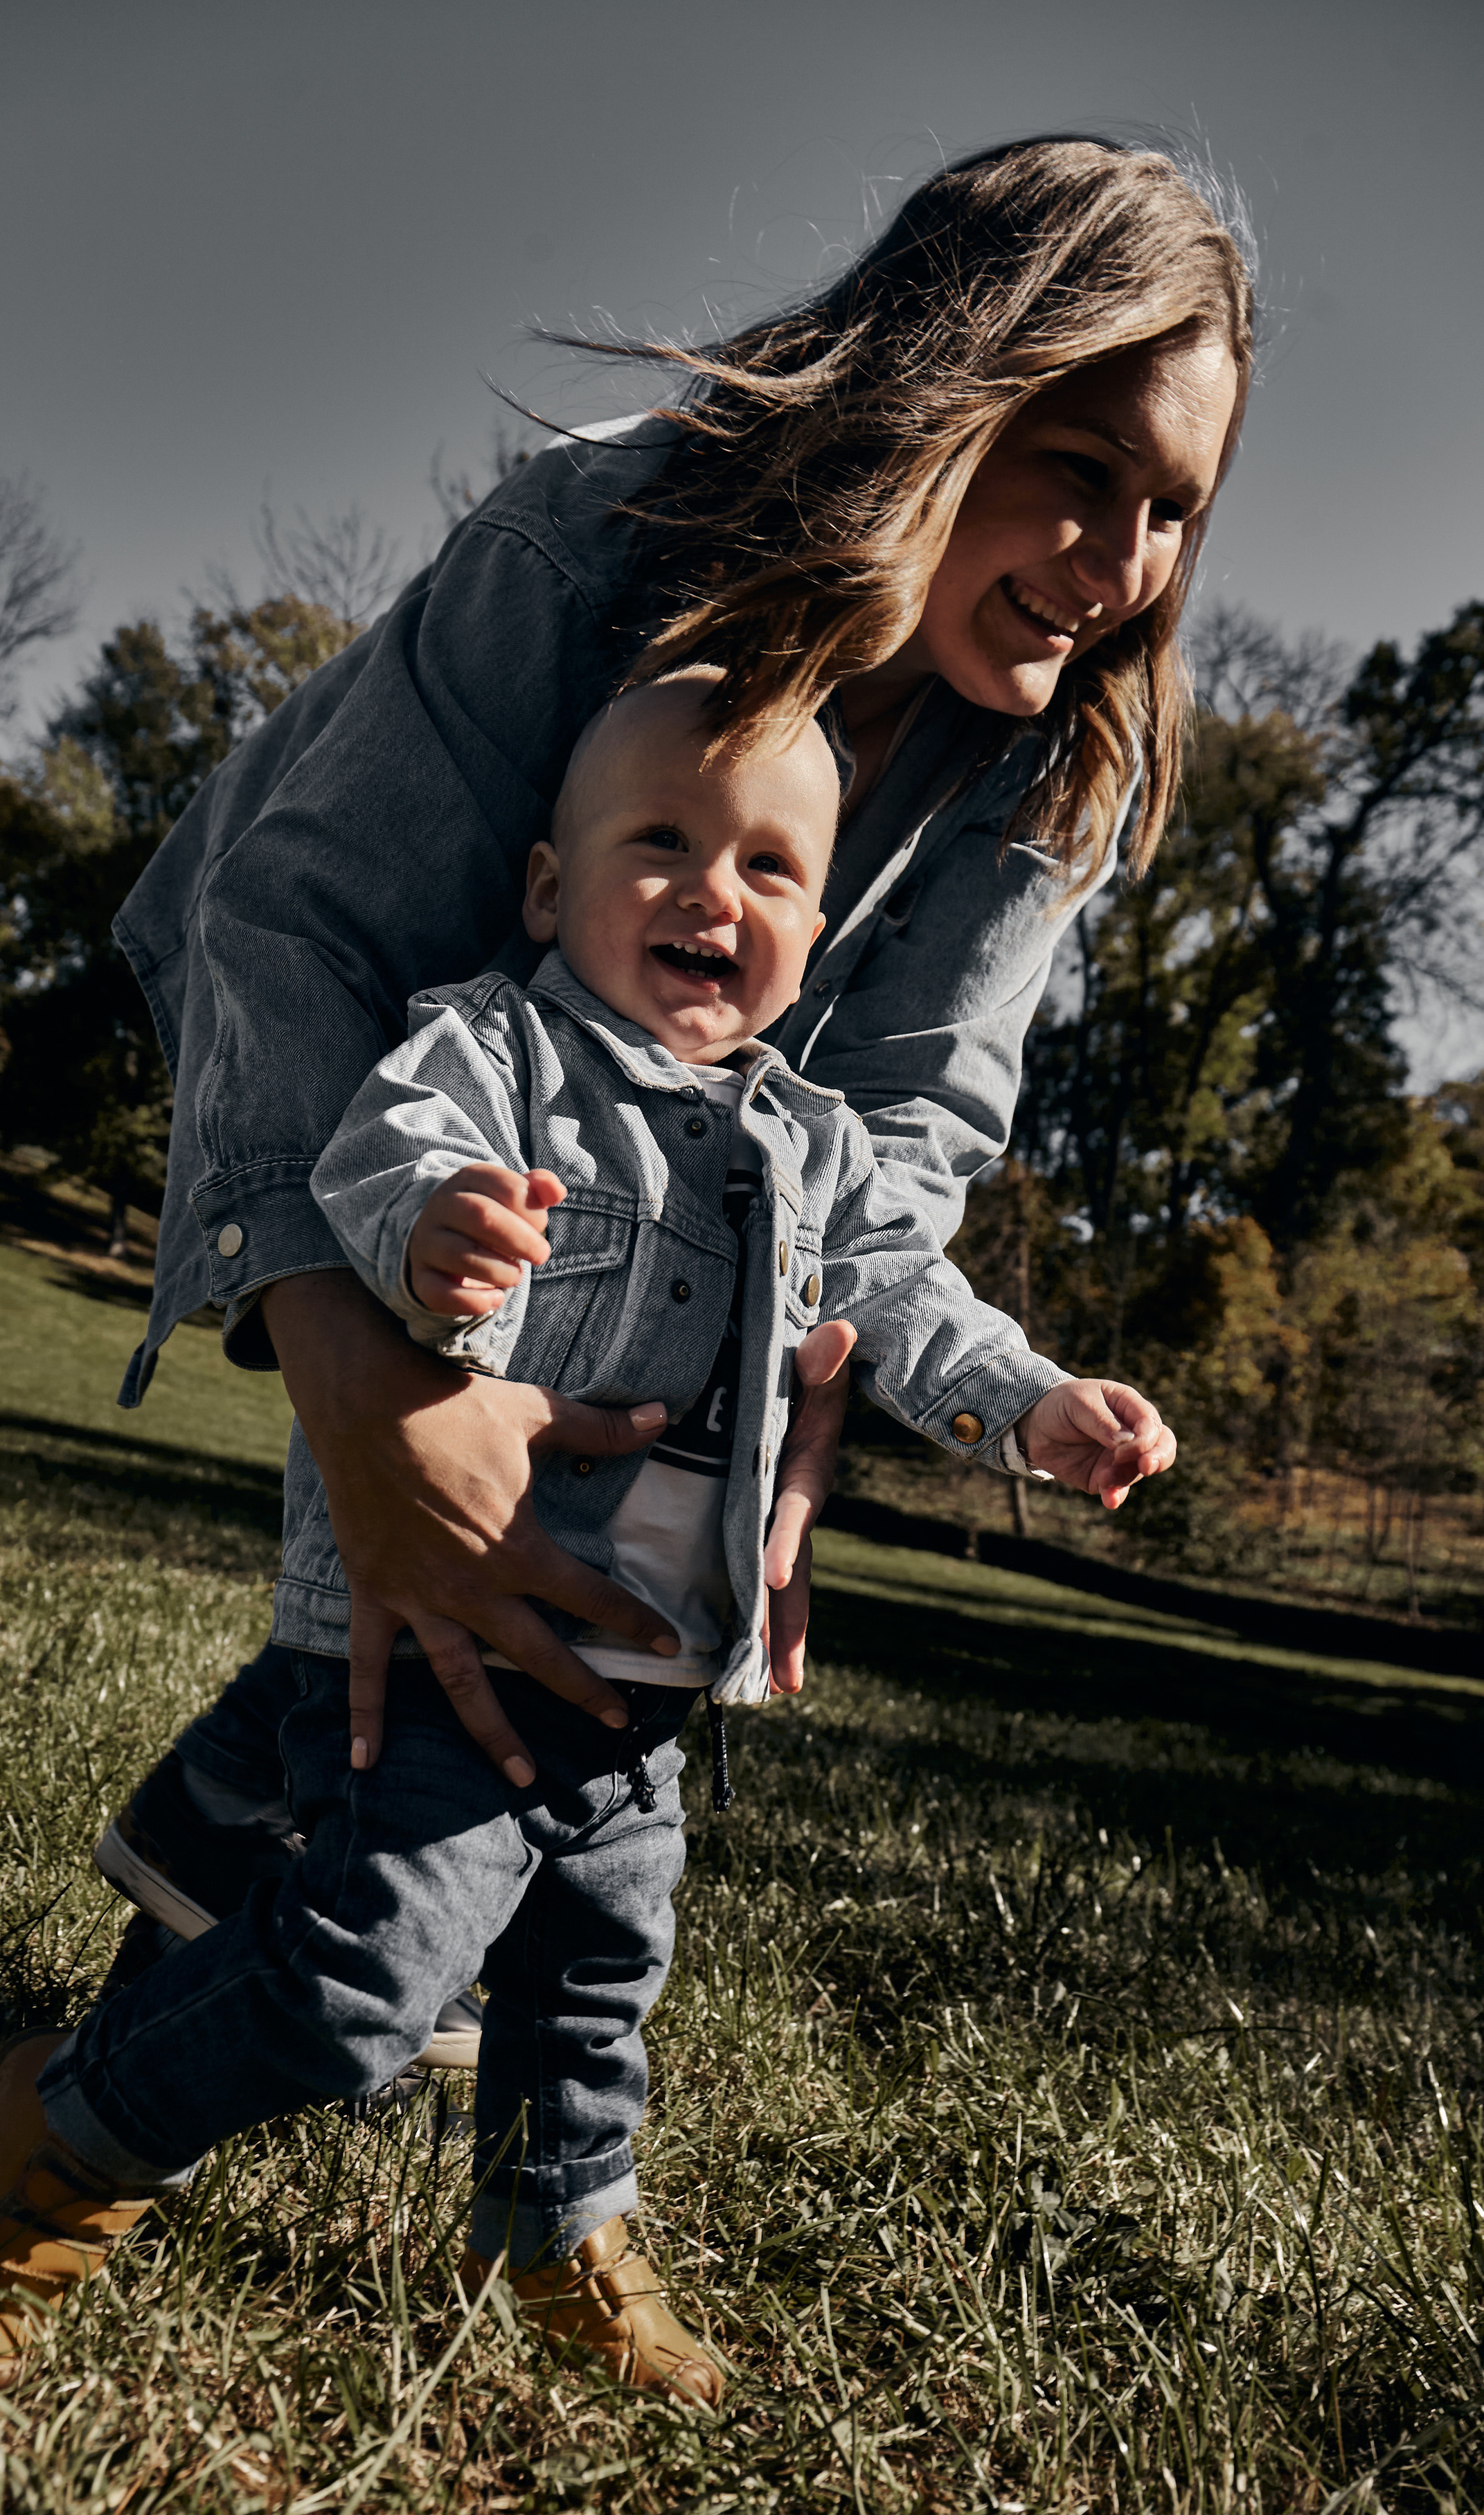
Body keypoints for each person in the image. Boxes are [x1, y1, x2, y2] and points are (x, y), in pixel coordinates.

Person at [84, 137, 1253, 2084]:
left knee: (591, 1526)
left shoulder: (1055, 758)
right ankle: (180, 2008)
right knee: (428, 1481)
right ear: (948, 390)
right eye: (1080, 472)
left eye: (1172, 513)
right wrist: (375, 1406)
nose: (1122, 567)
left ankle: (226, 1832)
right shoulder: (594, 539)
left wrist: (784, 1430)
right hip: (377, 1020)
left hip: (680, 1132)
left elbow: (893, 1137)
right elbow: (302, 943)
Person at [0, 673, 1174, 2400]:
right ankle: (65, 2124)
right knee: (361, 1989)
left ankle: (556, 2232)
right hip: (460, 1633)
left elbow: (903, 1298)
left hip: (646, 1671)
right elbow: (380, 1150)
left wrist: (1030, 1404)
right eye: (657, 842)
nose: (710, 891)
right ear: (543, 887)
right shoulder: (492, 1049)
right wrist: (434, 1230)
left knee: (590, 1994)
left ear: (810, 927)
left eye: (768, 867)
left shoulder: (807, 1144)